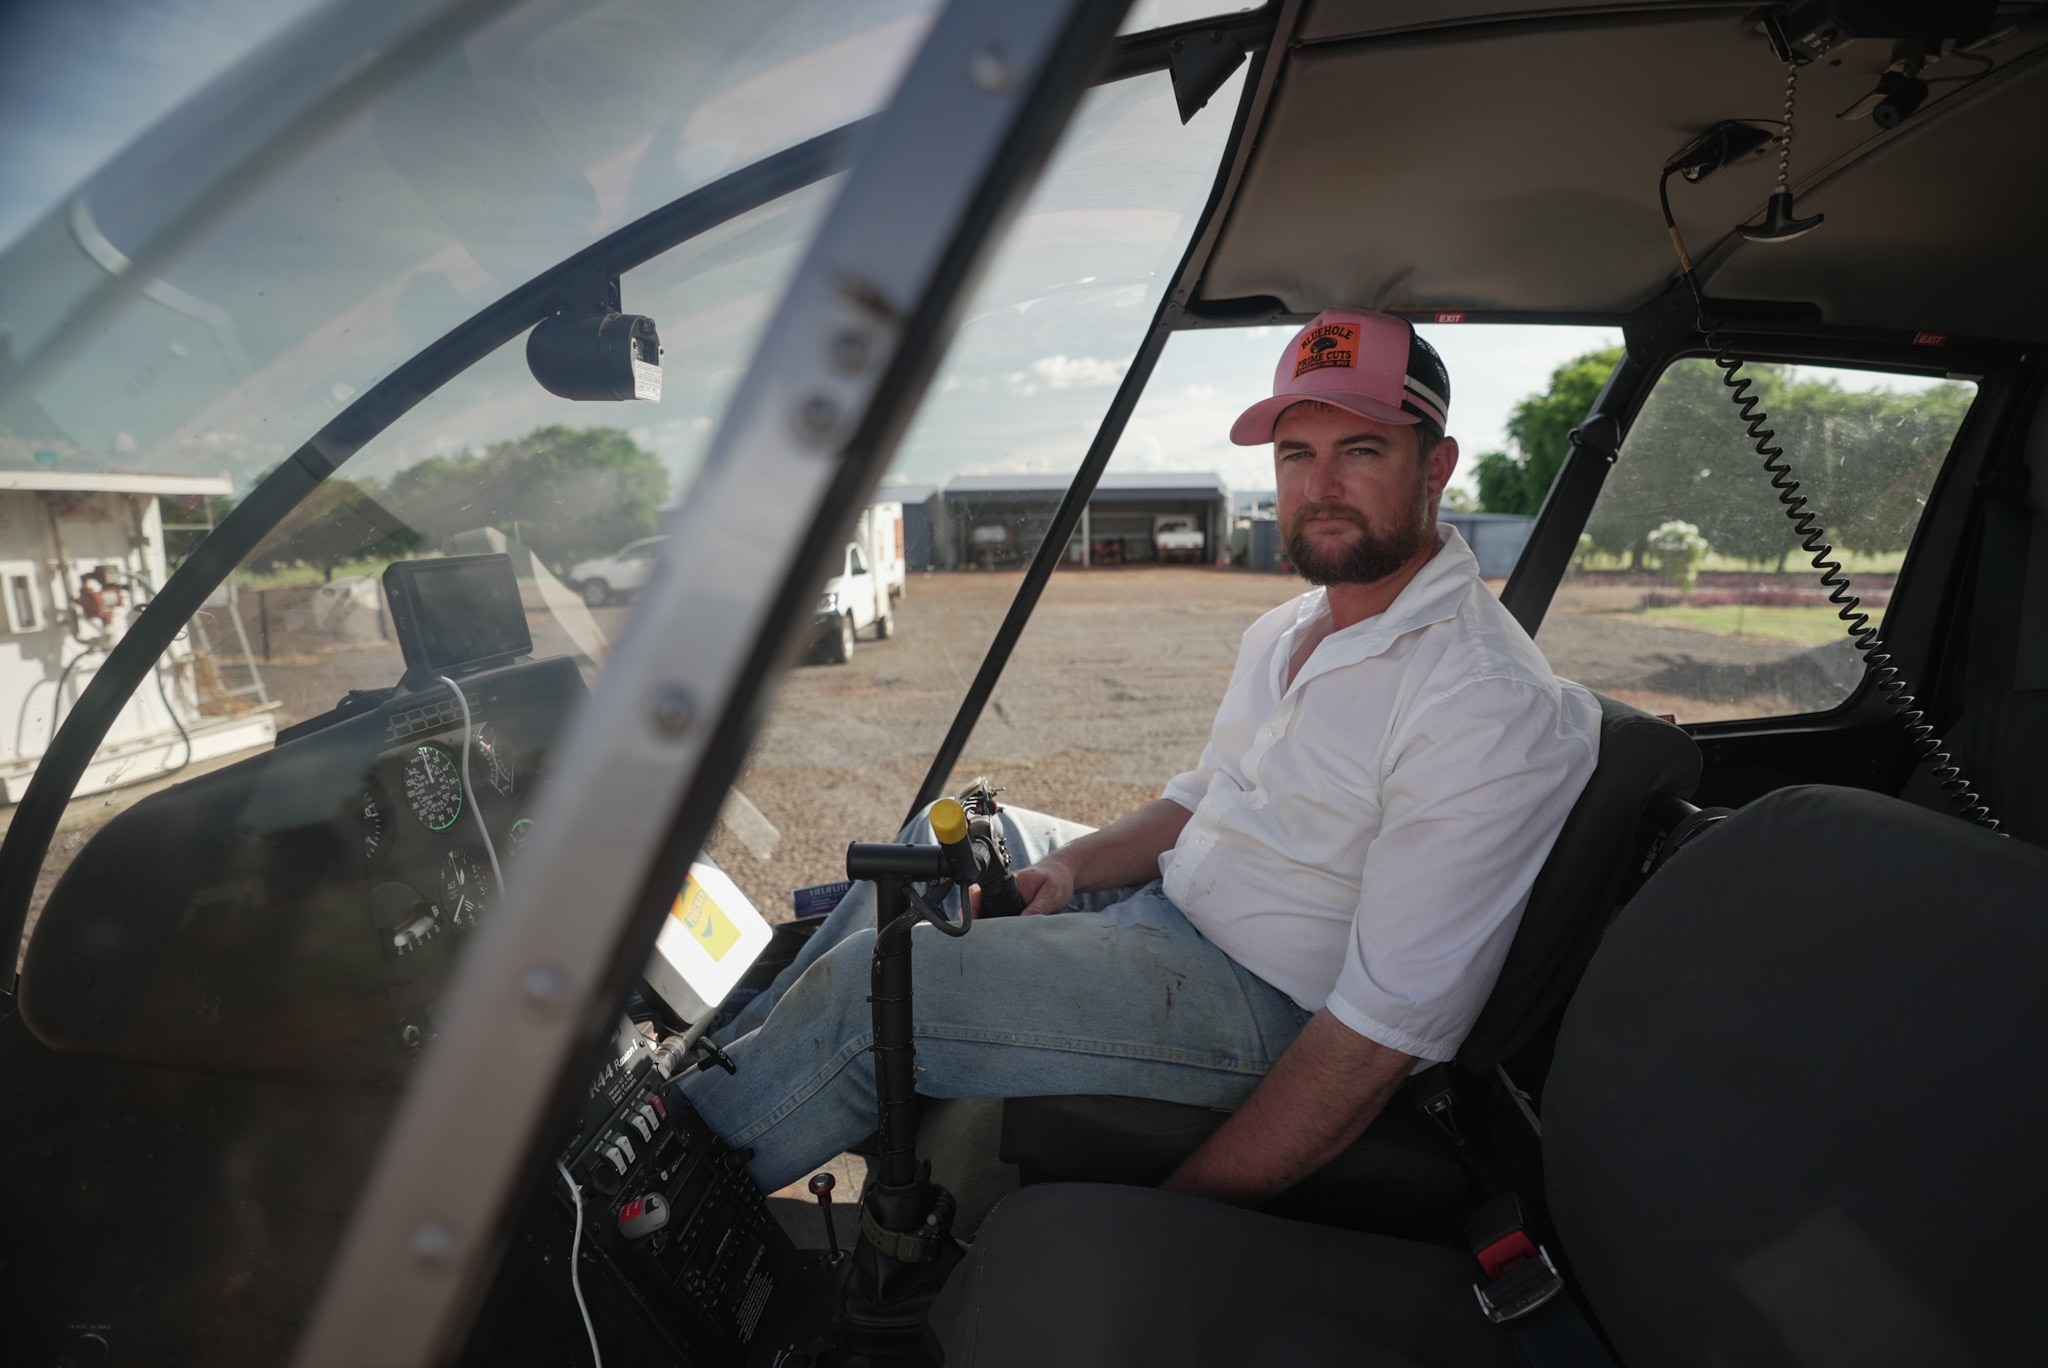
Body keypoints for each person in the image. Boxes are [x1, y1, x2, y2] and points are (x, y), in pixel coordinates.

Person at [684, 308, 1600, 1203]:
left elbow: (1376, 1034)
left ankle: (635, 1219)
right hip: (1182, 907)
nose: (1320, 485)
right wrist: (1073, 867)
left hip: (1263, 1005)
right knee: (946, 835)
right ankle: (715, 1076)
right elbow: (1203, 799)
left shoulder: (1481, 700)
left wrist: (1176, 1216)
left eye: (1360, 451)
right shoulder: (1291, 629)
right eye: (1296, 454)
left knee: (880, 990)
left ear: (1435, 464)